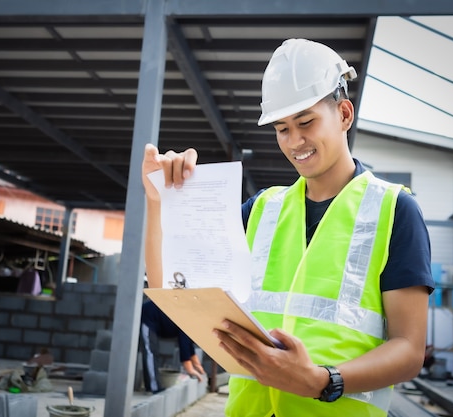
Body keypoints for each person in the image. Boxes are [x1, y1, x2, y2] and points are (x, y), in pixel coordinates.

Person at [141, 38, 434, 416]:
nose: (295, 141)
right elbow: (172, 289)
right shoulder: (262, 210)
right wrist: (156, 201)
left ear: (344, 114)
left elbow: (409, 349)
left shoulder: (395, 210)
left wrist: (322, 381)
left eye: (306, 122)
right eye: (282, 128)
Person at [139, 299, 205, 393]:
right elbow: (184, 345)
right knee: (151, 353)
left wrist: (199, 367)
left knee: (152, 352)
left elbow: (189, 346)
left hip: (157, 318)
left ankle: (153, 386)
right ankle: (154, 387)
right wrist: (190, 370)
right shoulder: (189, 321)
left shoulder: (192, 323)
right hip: (148, 316)